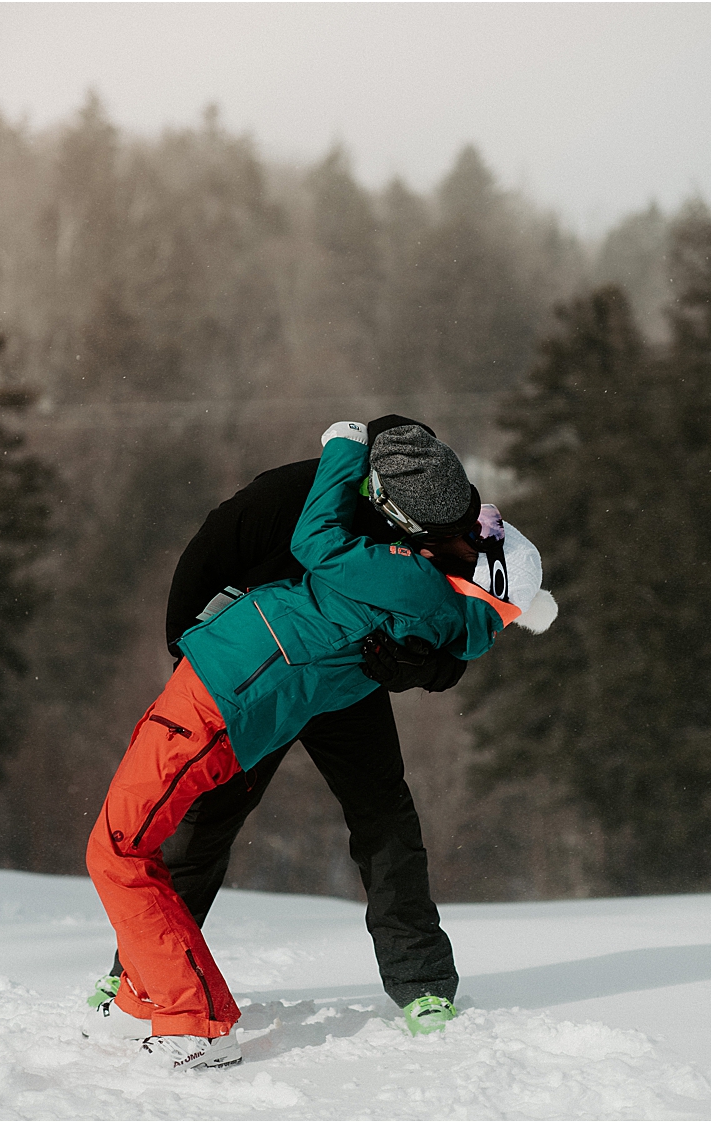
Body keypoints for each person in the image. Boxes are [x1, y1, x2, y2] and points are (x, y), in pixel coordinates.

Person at [84, 422, 556, 1071]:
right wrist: (187, 651)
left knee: (382, 811)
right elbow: (208, 556)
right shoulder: (289, 496)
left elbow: (453, 637)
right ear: (385, 497)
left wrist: (409, 665)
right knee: (202, 820)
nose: (443, 540)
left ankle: (420, 983)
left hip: (342, 679)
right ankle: (138, 968)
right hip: (253, 676)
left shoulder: (443, 512)